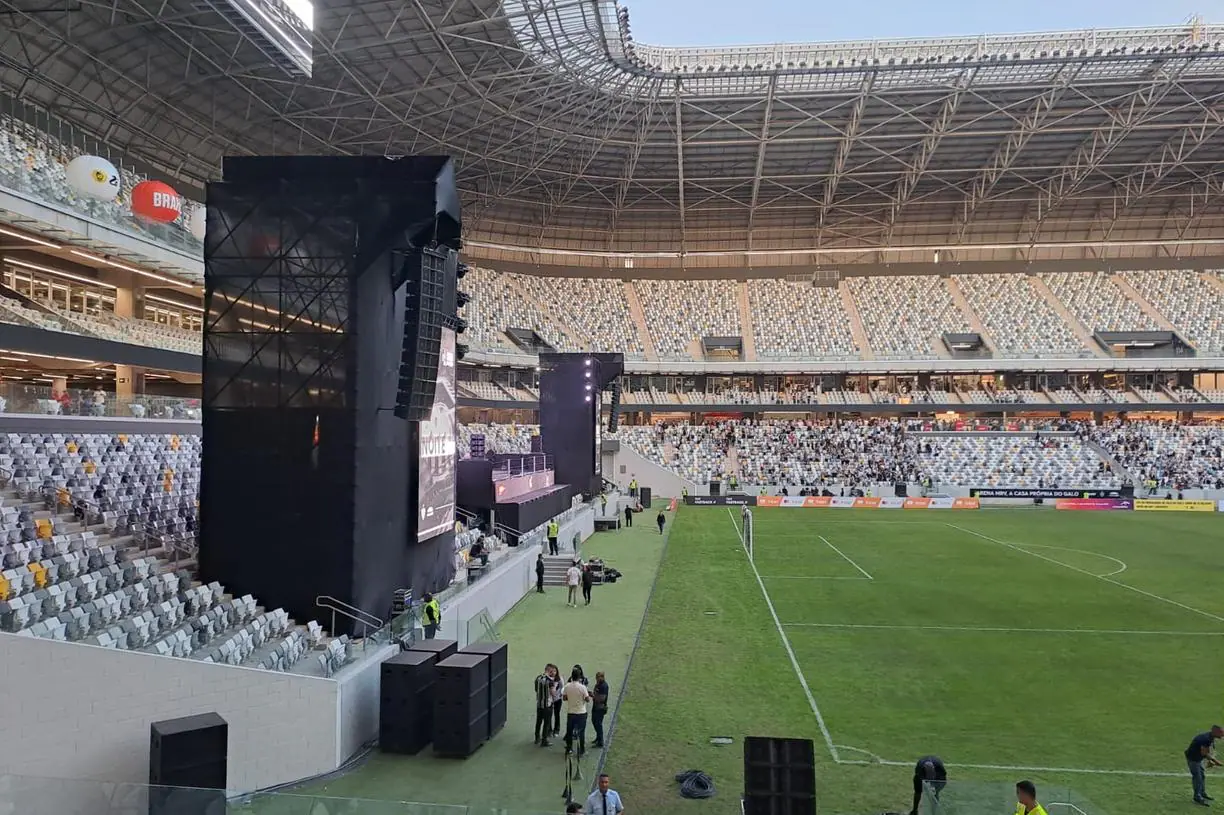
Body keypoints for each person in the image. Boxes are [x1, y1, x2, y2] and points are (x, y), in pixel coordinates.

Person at [1186, 725, 1224, 806]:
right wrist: (1215, 761)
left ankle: (1202, 793)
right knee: (1197, 777)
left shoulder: (1210, 737)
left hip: (1198, 758)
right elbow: (1204, 753)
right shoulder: (1205, 738)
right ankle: (1197, 797)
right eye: (1221, 733)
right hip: (1193, 759)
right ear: (1215, 732)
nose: (1223, 734)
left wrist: (1210, 761)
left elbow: (1207, 750)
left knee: (1202, 775)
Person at [563, 667, 591, 756]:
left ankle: (569, 748)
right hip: (581, 712)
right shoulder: (582, 687)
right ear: (579, 677)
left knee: (570, 731)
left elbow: (564, 698)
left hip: (571, 712)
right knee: (581, 732)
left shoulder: (567, 686)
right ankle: (581, 750)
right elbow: (587, 700)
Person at [534, 664, 555, 746]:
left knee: (538, 721)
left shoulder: (538, 678)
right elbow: (553, 693)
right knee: (546, 723)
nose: (553, 672)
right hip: (547, 705)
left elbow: (536, 689)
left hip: (539, 704)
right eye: (552, 671)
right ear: (549, 671)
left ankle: (537, 737)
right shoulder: (550, 681)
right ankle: (544, 740)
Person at [591, 671, 610, 748]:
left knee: (598, 724)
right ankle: (598, 737)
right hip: (595, 706)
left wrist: (593, 696)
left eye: (598, 677)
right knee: (594, 721)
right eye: (596, 677)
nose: (597, 679)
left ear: (602, 677)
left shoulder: (604, 686)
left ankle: (600, 741)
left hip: (600, 708)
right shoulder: (598, 684)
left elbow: (602, 698)